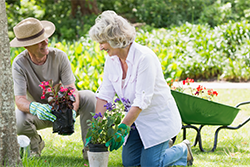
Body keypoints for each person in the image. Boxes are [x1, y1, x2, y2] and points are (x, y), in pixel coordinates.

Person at [88, 10, 194, 166]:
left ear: (115, 39)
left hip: (157, 121)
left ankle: (183, 150)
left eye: (102, 42)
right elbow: (105, 94)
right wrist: (97, 124)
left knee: (150, 165)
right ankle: (158, 151)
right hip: (136, 124)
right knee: (130, 163)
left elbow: (141, 100)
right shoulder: (112, 60)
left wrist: (122, 128)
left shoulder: (145, 58)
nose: (100, 47)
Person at [10, 17, 96, 159]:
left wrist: (72, 110)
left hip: (62, 108)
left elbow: (71, 89)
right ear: (26, 46)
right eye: (39, 41)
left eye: (45, 37)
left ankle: (90, 149)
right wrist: (35, 108)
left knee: (89, 97)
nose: (46, 42)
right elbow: (19, 100)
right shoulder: (19, 64)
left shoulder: (59, 57)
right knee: (17, 118)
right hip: (40, 114)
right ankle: (35, 145)